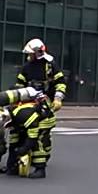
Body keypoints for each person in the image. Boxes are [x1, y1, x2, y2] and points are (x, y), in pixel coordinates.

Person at [14, 38, 66, 173]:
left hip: (45, 102)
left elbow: (60, 82)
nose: (28, 56)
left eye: (30, 53)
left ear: (37, 53)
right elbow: (19, 84)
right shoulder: (27, 67)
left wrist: (58, 99)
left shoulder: (50, 66)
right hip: (28, 101)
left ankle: (42, 160)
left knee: (42, 133)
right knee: (24, 130)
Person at [0, 98, 51, 178]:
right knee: (14, 140)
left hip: (43, 121)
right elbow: (13, 143)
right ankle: (13, 167)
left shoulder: (23, 115)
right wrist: (11, 165)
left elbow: (32, 137)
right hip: (23, 123)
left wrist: (24, 149)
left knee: (37, 143)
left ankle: (40, 170)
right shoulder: (10, 116)